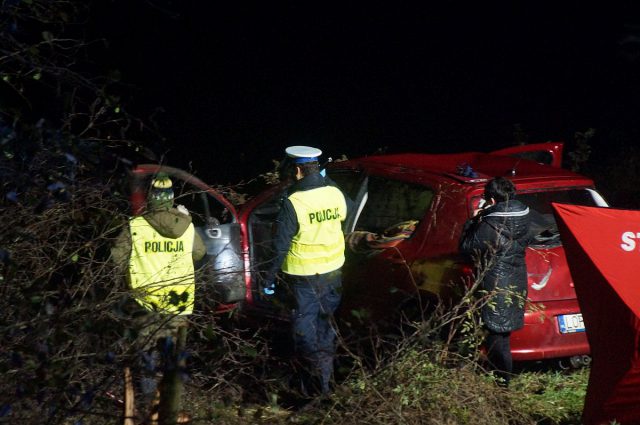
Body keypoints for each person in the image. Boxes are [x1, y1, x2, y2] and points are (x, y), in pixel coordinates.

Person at [111, 172, 206, 415]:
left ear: (151, 199)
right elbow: (199, 253)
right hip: (179, 303)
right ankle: (171, 409)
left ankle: (149, 407)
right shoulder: (186, 225)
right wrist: (184, 218)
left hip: (145, 302)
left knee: (148, 357)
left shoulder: (135, 226)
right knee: (174, 358)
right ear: (171, 197)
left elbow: (117, 260)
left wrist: (126, 284)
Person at [263, 145, 348, 396]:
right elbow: (346, 216)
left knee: (304, 334)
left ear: (298, 170)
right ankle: (325, 383)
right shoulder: (335, 193)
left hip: (305, 279)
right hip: (334, 273)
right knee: (325, 329)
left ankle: (314, 390)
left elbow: (280, 246)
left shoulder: (294, 202)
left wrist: (268, 278)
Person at [459, 176, 530, 387]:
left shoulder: (490, 225)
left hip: (495, 285)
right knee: (501, 337)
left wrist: (472, 221)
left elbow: (465, 249)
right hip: (516, 282)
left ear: (491, 201)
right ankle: (498, 381)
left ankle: (502, 386)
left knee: (497, 341)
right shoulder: (526, 218)